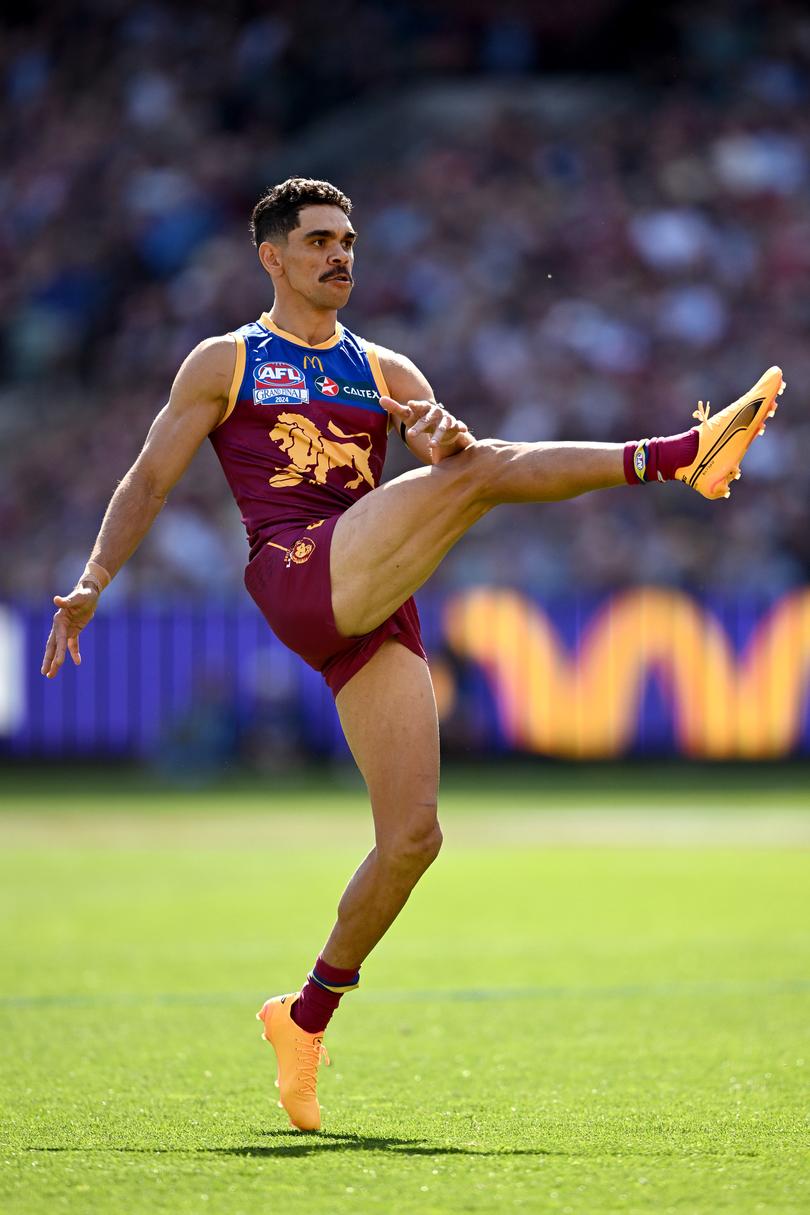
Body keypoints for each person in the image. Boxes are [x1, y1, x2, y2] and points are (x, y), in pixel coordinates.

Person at [41, 177, 785, 1132]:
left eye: (347, 239)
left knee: (413, 841)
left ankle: (302, 1018)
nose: (339, 254)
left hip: (371, 593)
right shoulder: (228, 360)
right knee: (478, 480)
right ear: (272, 257)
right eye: (318, 241)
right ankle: (681, 453)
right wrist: (96, 577)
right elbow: (149, 476)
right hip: (299, 568)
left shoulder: (388, 368)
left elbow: (451, 462)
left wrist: (439, 434)